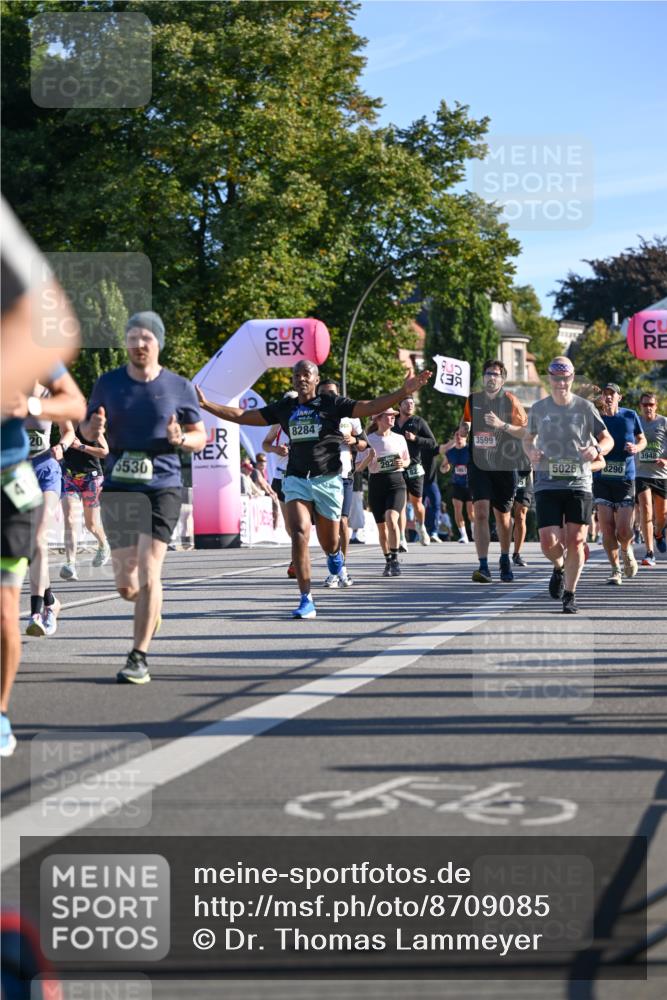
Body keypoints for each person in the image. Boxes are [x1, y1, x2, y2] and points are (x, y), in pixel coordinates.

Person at [196, 359, 432, 619]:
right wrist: (208, 405)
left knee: (330, 543)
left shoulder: (331, 403)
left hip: (328, 480)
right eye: (297, 375)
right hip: (296, 478)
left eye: (307, 374)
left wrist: (403, 391)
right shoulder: (286, 407)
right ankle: (306, 599)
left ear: (316, 379)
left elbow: (371, 407)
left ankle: (334, 557)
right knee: (299, 533)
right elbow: (244, 416)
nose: (301, 378)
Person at [79, 311, 206, 684]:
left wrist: (180, 439)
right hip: (119, 485)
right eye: (132, 337)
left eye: (145, 338)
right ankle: (150, 610)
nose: (138, 344)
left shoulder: (178, 387)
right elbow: (87, 425)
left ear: (158, 343)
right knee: (125, 584)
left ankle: (138, 656)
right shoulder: (108, 383)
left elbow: (200, 437)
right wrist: (93, 428)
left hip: (161, 485)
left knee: (151, 569)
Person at [1, 195, 84, 755]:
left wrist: (33, 409)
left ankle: (0, 713)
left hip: (13, 475)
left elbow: (71, 399)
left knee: (5, 603)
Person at [524, 357, 614, 614]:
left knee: (576, 540)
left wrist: (596, 448)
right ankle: (559, 566)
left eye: (565, 377)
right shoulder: (539, 409)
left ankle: (570, 594)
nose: (561, 382)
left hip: (579, 481)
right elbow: (527, 440)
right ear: (549, 378)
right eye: (555, 377)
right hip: (547, 482)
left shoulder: (585, 408)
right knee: (547, 542)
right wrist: (531, 452)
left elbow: (607, 439)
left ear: (572, 378)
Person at [460, 360, 528, 582]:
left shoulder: (510, 401)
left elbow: (525, 432)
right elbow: (466, 422)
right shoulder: (473, 400)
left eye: (496, 374)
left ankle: (505, 557)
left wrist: (502, 425)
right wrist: (463, 429)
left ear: (502, 379)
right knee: (480, 512)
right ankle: (483, 565)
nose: (491, 377)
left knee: (503, 516)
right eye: (488, 373)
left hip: (504, 465)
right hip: (479, 464)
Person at [24, 380, 79, 635]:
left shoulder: (52, 395)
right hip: (17, 475)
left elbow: (69, 431)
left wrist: (62, 446)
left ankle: (35, 613)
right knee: (29, 547)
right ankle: (51, 602)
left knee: (38, 537)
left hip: (46, 470)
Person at [593, 383, 646, 585]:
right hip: (602, 478)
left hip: (625, 478)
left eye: (612, 394)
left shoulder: (630, 415)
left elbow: (642, 440)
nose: (608, 397)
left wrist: (636, 447)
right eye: (605, 394)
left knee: (624, 530)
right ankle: (615, 569)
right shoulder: (596, 418)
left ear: (619, 397)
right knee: (607, 528)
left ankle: (626, 549)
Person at [316, 377, 367, 587]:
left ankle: (341, 568)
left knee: (343, 522)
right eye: (324, 393)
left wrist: (354, 441)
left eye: (332, 393)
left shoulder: (349, 416)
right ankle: (333, 566)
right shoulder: (312, 414)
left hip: (344, 474)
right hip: (320, 476)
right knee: (326, 527)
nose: (328, 396)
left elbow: (365, 444)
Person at [355, 410, 409, 575]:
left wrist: (403, 463)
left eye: (394, 415)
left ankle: (395, 559)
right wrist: (368, 458)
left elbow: (407, 460)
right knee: (382, 528)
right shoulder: (368, 440)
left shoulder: (399, 438)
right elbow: (358, 468)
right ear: (378, 419)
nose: (393, 417)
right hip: (377, 484)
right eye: (389, 415)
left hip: (397, 483)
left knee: (392, 519)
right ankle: (387, 560)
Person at [60, 422, 111, 580]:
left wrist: (81, 446)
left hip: (92, 478)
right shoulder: (64, 424)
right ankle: (70, 564)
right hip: (70, 477)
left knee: (91, 525)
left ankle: (103, 544)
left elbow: (105, 452)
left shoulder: (90, 425)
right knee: (69, 519)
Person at [262, 390, 298, 577]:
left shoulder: (305, 421)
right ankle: (297, 558)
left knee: (301, 522)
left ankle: (299, 557)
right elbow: (265, 444)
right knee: (290, 525)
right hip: (282, 477)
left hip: (301, 476)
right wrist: (277, 449)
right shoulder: (278, 424)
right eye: (288, 402)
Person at [395, 396, 436, 547]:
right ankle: (401, 538)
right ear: (400, 406)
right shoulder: (392, 420)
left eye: (412, 403)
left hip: (414, 467)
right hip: (397, 466)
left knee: (417, 503)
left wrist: (415, 438)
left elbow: (432, 443)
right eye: (407, 403)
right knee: (400, 504)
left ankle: (421, 526)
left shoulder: (418, 421)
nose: (410, 405)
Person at [635, 391, 667, 567]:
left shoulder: (664, 422)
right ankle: (649, 552)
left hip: (661, 475)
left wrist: (665, 460)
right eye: (645, 404)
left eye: (651, 404)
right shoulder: (636, 422)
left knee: (661, 516)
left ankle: (659, 533)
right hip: (641, 473)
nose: (648, 408)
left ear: (656, 406)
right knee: (646, 510)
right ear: (640, 406)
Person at [439, 428, 474, 543]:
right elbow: (444, 467)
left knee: (471, 512)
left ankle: (474, 531)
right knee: (457, 509)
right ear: (454, 437)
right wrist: (444, 468)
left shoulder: (470, 449)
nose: (459, 437)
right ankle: (464, 535)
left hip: (470, 484)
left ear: (466, 437)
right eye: (456, 435)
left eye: (461, 435)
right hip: (457, 484)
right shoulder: (450, 452)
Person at [512, 468, 534, 567]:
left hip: (523, 476)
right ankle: (504, 553)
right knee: (504, 515)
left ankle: (516, 554)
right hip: (506, 473)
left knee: (521, 515)